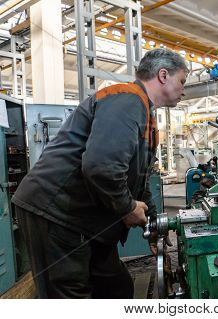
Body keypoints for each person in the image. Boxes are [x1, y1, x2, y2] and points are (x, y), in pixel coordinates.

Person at [12, 48, 188, 298]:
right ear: (163, 75)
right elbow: (101, 167)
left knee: (115, 288)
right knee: (68, 294)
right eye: (182, 81)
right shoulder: (127, 99)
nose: (184, 90)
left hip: (87, 217)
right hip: (56, 212)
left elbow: (139, 181)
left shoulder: (145, 114)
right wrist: (127, 207)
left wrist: (153, 226)